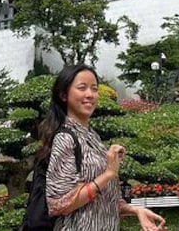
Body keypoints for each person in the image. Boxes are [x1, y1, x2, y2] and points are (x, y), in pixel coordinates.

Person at [42, 64, 167, 231]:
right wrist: (108, 174)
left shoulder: (92, 136)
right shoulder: (65, 138)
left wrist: (135, 210)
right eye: (82, 88)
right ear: (64, 95)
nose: (90, 94)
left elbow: (102, 199)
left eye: (94, 89)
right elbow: (59, 204)